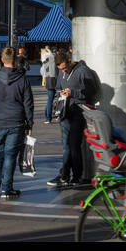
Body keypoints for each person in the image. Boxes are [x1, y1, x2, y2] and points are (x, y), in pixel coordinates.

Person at [0, 46, 34, 199]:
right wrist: (29, 123)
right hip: (16, 120)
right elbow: (28, 103)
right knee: (10, 155)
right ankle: (7, 188)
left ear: (2, 59)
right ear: (16, 60)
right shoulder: (22, 79)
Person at [48, 50, 100, 188]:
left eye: (65, 68)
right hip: (65, 111)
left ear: (69, 61)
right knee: (66, 146)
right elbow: (58, 87)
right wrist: (62, 93)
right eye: (61, 69)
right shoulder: (61, 73)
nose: (64, 71)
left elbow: (92, 92)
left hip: (78, 111)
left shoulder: (82, 71)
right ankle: (65, 174)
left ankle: (75, 175)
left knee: (74, 145)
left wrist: (74, 93)